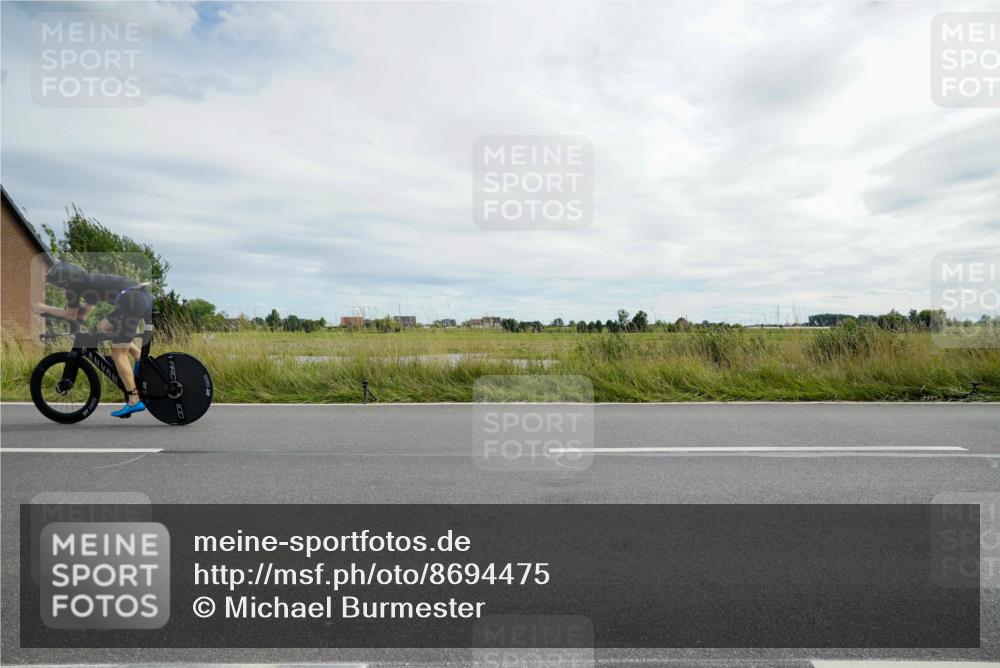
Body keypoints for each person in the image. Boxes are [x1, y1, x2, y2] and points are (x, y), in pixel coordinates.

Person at [33, 261, 153, 418]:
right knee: (103, 328)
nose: (61, 291)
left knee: (118, 353)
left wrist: (45, 309)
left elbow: (70, 314)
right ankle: (138, 358)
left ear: (65, 281)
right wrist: (77, 332)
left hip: (131, 301)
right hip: (140, 297)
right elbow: (82, 315)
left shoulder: (74, 285)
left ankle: (134, 400)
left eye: (59, 286)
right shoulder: (87, 283)